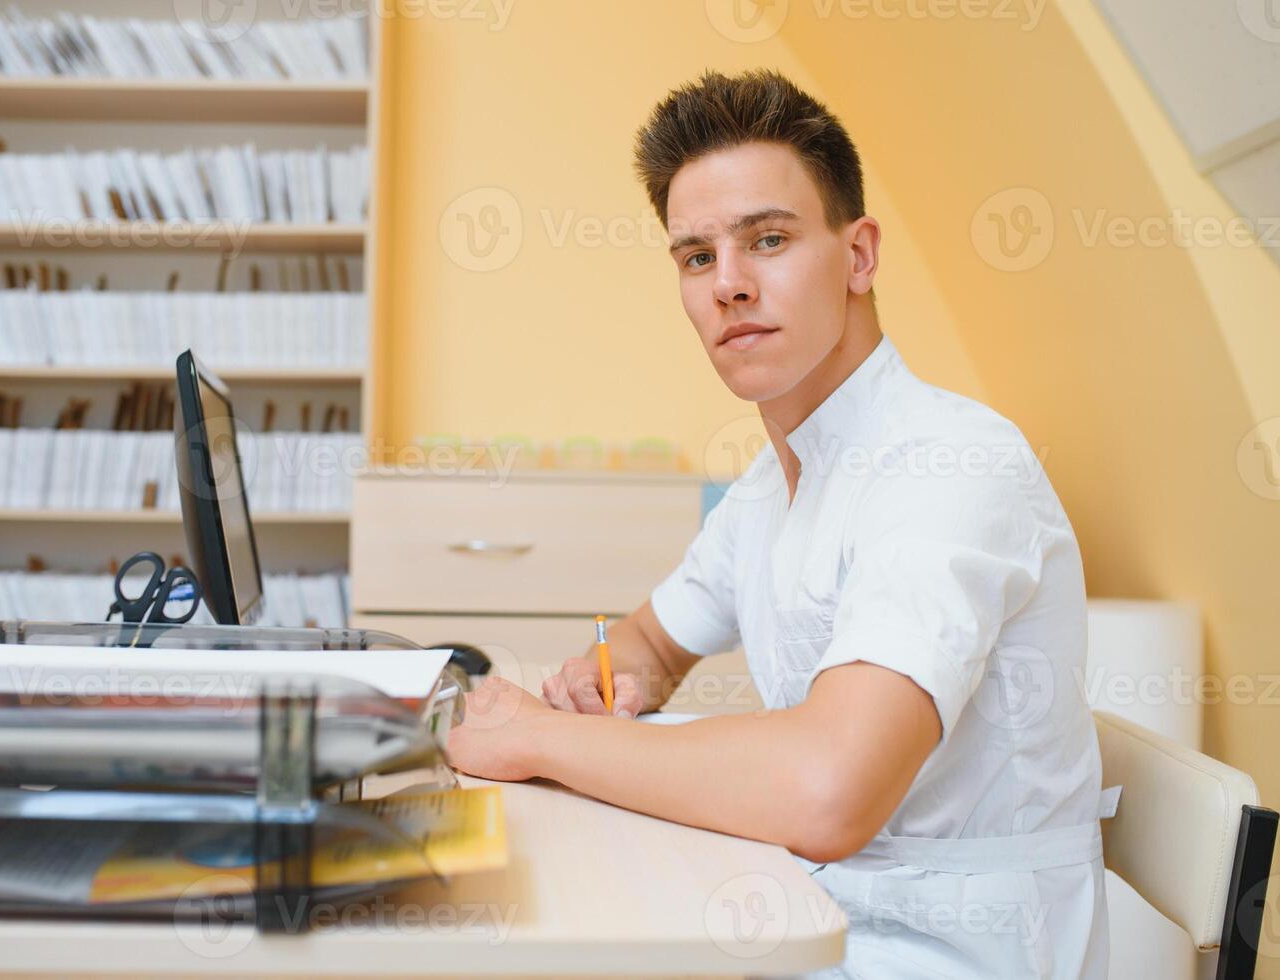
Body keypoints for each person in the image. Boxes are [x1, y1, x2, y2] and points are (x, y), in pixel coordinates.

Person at [445, 68, 1109, 978]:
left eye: (768, 239)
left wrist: (541, 736)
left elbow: (832, 790)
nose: (730, 285)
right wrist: (612, 684)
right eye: (697, 257)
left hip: (948, 950)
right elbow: (649, 641)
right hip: (812, 908)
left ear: (860, 256)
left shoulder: (952, 464)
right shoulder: (769, 486)